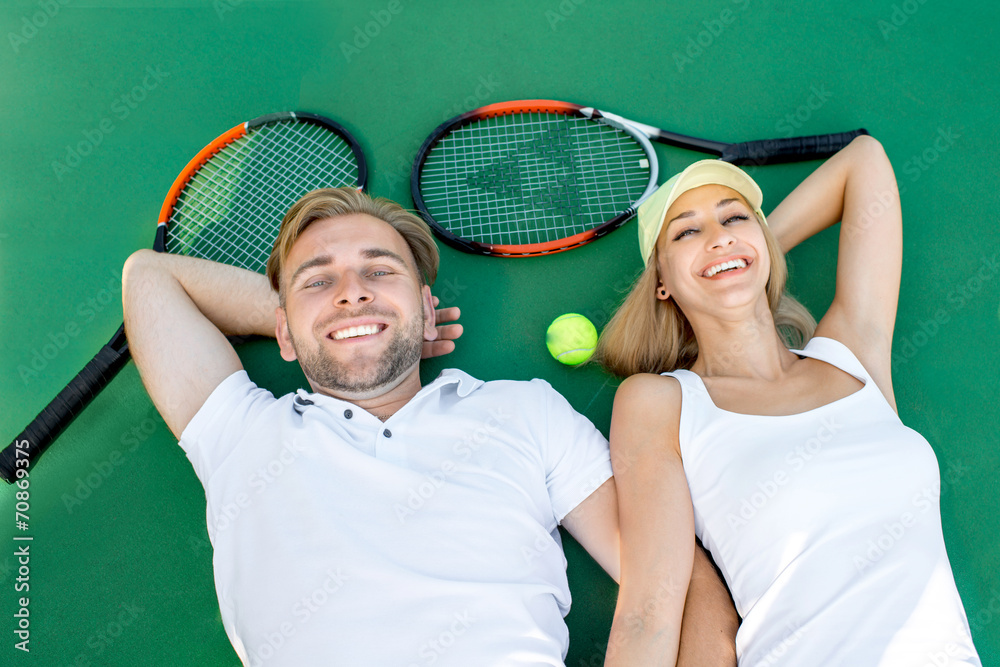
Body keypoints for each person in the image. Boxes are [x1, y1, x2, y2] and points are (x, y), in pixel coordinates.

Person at [121, 188, 737, 666]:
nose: (352, 291)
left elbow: (680, 581)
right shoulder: (242, 433)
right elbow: (150, 277)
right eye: (319, 279)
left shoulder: (526, 412)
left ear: (426, 307)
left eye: (379, 272)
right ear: (281, 330)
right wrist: (334, 324)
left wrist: (359, 320)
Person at [597, 137, 982, 666]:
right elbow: (648, 611)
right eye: (687, 231)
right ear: (660, 282)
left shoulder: (852, 356)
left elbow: (864, 160)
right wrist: (724, 261)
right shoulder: (660, 402)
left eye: (734, 219)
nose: (717, 236)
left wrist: (744, 256)